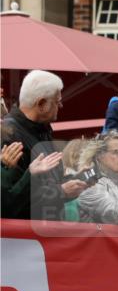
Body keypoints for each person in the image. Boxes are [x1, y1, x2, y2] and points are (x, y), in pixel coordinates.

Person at [1, 70, 90, 220]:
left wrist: (75, 179)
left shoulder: (42, 129)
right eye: (57, 101)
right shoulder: (9, 136)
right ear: (41, 104)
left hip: (46, 231)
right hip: (26, 238)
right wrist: (61, 192)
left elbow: (50, 181)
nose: (61, 105)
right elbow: (11, 204)